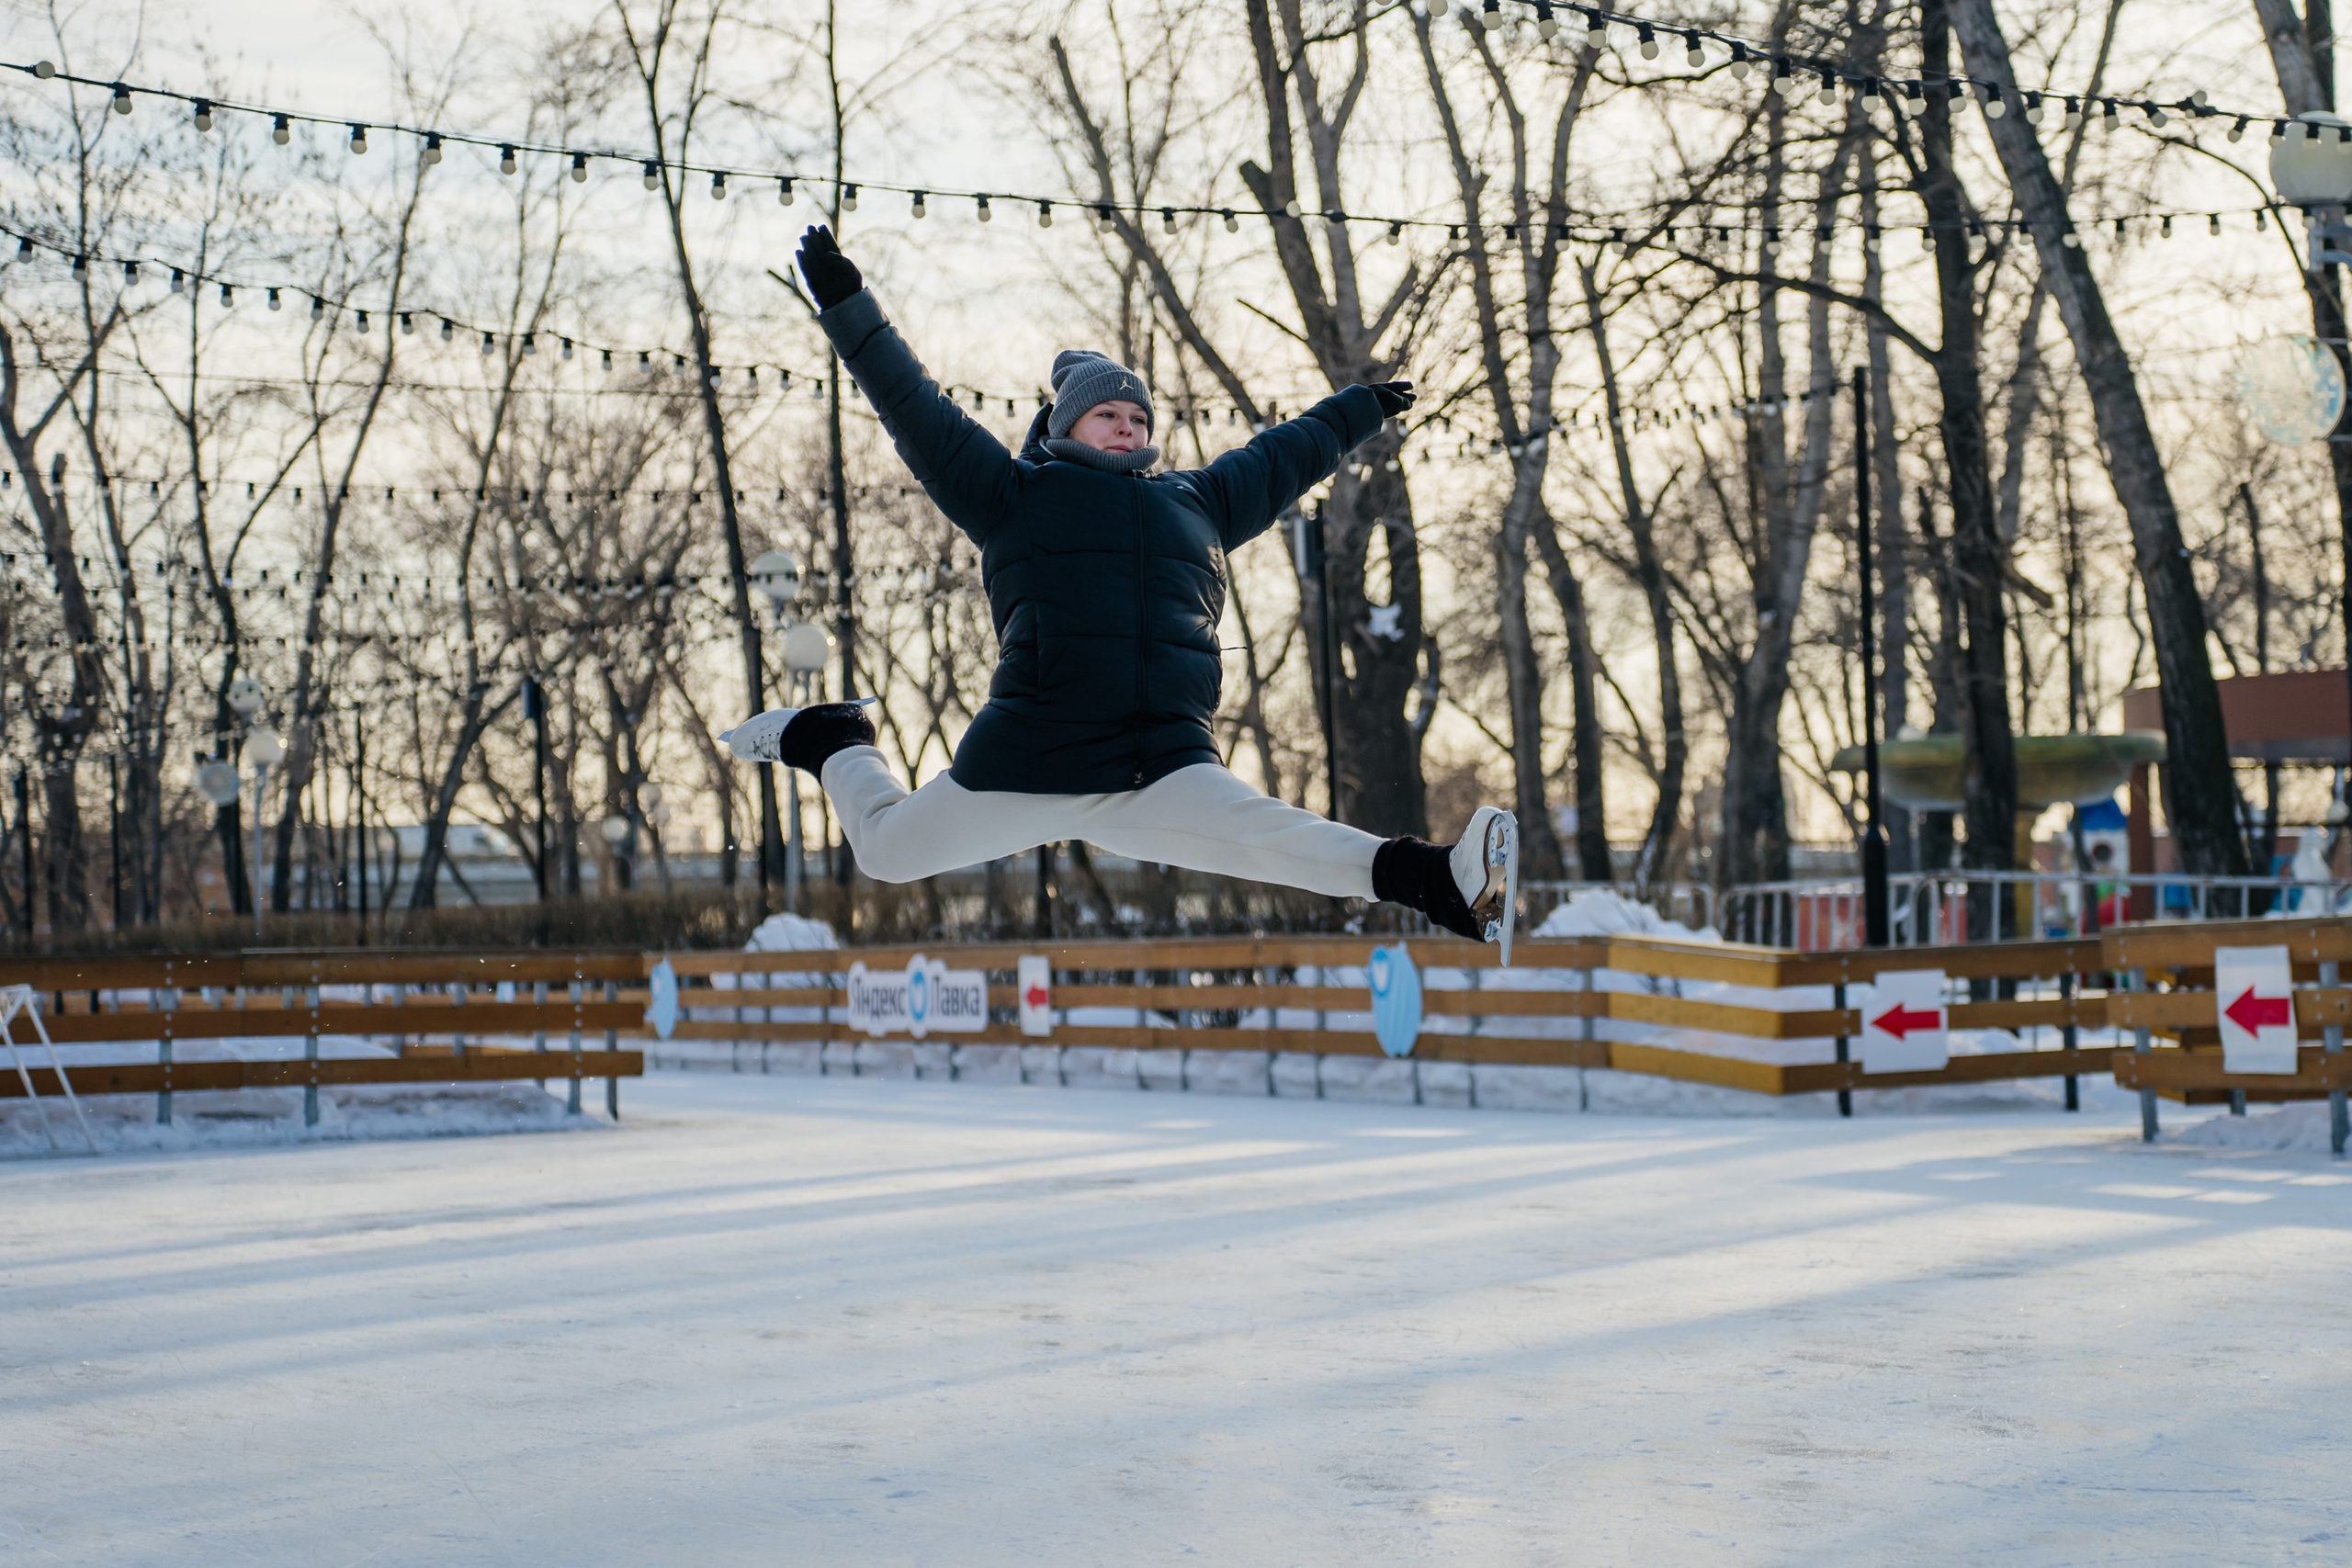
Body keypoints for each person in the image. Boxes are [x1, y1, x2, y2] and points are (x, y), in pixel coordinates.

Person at [721, 226, 1521, 954]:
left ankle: (1440, 880)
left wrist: (1354, 411)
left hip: (1160, 762)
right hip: (1034, 754)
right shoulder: (1011, 494)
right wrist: (849, 308)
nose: (1128, 428)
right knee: (889, 851)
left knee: (1280, 842)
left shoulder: (1194, 505)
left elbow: (1280, 459)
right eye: (1107, 414)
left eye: (1137, 417)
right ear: (1064, 425)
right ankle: (832, 741)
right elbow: (916, 409)